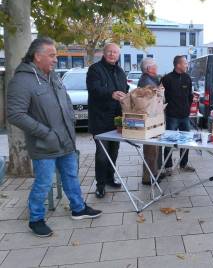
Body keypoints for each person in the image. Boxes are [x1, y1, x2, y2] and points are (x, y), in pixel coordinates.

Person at [7, 37, 102, 237]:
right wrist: (46, 133)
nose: (55, 59)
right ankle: (36, 219)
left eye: (55, 55)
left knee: (71, 176)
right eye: (51, 55)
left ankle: (78, 209)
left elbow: (65, 102)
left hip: (65, 139)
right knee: (43, 182)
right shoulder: (22, 80)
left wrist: (71, 122)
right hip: (44, 143)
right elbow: (15, 114)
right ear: (37, 56)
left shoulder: (53, 76)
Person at [86, 43, 128, 198]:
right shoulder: (95, 70)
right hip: (100, 120)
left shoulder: (120, 71)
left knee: (114, 151)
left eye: (115, 52)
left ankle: (110, 178)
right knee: (102, 154)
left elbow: (125, 90)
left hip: (117, 121)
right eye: (110, 51)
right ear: (104, 53)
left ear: (118, 55)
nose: (112, 54)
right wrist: (111, 94)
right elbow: (94, 89)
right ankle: (100, 184)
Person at [161, 55, 194, 174]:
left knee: (186, 141)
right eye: (185, 63)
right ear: (178, 65)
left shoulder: (187, 78)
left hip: (184, 116)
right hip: (172, 116)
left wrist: (187, 109)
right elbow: (161, 98)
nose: (187, 65)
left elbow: (190, 96)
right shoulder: (166, 79)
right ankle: (168, 166)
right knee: (169, 141)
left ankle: (183, 164)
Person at [137, 58, 165, 185]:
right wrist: (160, 93)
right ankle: (148, 177)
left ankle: (154, 172)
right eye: (155, 66)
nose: (157, 67)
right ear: (149, 69)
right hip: (149, 119)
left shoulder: (150, 79)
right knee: (150, 149)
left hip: (152, 119)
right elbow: (151, 101)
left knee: (154, 148)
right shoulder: (146, 82)